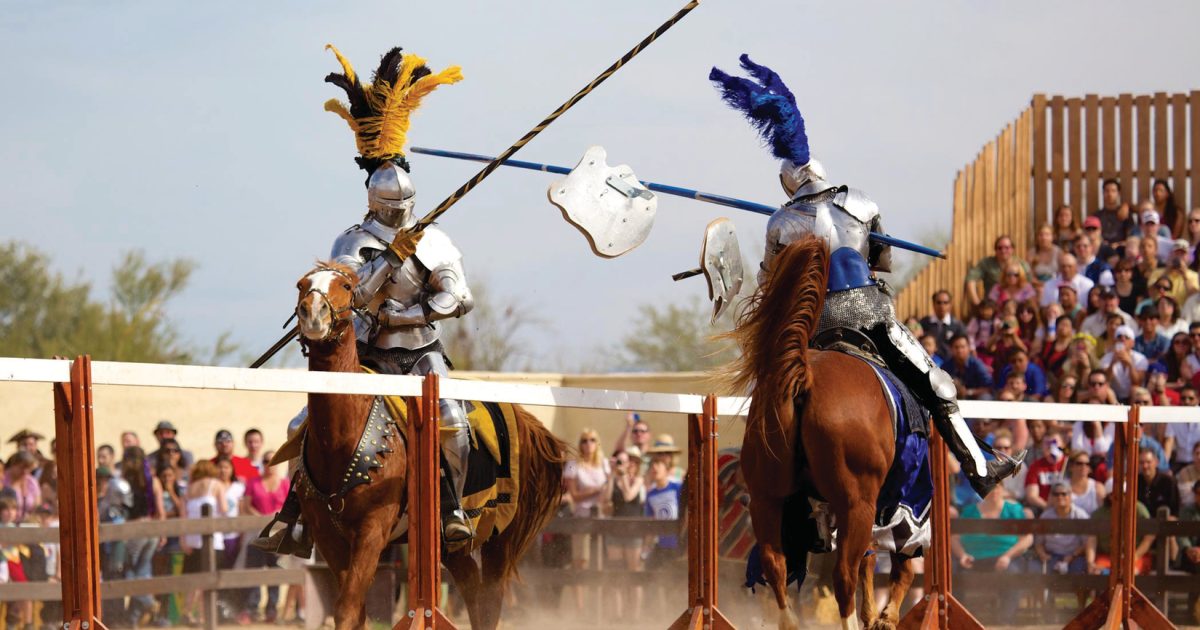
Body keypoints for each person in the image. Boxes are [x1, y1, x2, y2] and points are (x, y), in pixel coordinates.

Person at [709, 56, 1022, 500]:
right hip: (873, 316)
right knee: (937, 384)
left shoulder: (780, 223)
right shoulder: (861, 202)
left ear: (788, 185)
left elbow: (768, 286)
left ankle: (760, 481)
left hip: (814, 326)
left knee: (770, 398)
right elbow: (881, 261)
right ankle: (979, 464)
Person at [256, 46, 471, 551]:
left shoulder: (432, 237)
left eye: (403, 206)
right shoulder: (351, 242)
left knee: (455, 423)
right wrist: (388, 261)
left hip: (421, 351)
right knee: (304, 422)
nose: (397, 213)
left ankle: (452, 510)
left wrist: (410, 310)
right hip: (369, 355)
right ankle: (295, 517)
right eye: (389, 205)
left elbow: (460, 297)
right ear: (373, 200)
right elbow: (346, 297)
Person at [951, 486, 1031, 616]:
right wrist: (962, 555)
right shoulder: (969, 511)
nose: (993, 491)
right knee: (952, 572)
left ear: (1003, 490)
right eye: (989, 488)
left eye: (997, 487)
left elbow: (1027, 538)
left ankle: (1005, 621)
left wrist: (1008, 556)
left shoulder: (1014, 510)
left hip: (1004, 559)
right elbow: (954, 538)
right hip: (973, 560)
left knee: (1013, 574)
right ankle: (960, 618)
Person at [120, 446, 165, 627]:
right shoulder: (152, 481)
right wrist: (161, 532)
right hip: (151, 530)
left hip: (132, 531)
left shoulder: (124, 482)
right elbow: (160, 512)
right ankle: (134, 618)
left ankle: (149, 603)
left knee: (129, 572)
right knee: (143, 572)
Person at [243, 450, 289, 623]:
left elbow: (290, 507)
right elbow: (246, 506)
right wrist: (262, 520)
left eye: (273, 460)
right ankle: (253, 608)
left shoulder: (285, 483)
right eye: (266, 461)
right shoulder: (252, 482)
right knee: (254, 570)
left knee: (275, 571)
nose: (269, 464)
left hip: (278, 534)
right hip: (257, 532)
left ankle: (272, 610)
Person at [606, 447, 645, 621]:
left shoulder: (639, 480)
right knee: (616, 574)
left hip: (633, 532)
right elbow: (605, 500)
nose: (629, 464)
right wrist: (611, 476)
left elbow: (629, 496)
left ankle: (634, 616)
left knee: (634, 574)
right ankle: (617, 616)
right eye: (627, 460)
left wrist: (621, 477)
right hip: (615, 531)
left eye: (633, 461)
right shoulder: (616, 479)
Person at [1034, 482, 1090, 577]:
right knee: (1035, 570)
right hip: (1051, 556)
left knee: (1080, 572)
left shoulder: (1081, 515)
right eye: (1056, 494)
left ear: (1070, 496)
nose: (1060, 497)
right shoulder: (1045, 517)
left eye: (1064, 494)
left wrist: (1071, 557)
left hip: (1075, 556)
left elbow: (1087, 543)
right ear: (1051, 497)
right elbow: (1038, 543)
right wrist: (1042, 554)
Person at [1099, 326, 1148, 402]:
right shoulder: (1106, 358)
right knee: (1106, 389)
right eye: (1119, 337)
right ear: (1114, 341)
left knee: (1134, 389)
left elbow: (1137, 382)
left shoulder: (1141, 359)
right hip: (1114, 396)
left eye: (1127, 337)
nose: (1123, 339)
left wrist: (1130, 364)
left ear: (1132, 343)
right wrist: (1112, 363)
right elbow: (1106, 380)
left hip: (1134, 396)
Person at [919, 290, 967, 362]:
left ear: (950, 305)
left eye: (945, 303)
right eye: (939, 302)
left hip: (951, 365)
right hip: (927, 363)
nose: (942, 306)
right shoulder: (924, 323)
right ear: (933, 304)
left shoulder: (957, 325)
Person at [1148, 239, 1199, 306]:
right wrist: (1166, 272)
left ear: (1188, 257)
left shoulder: (1194, 276)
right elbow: (1152, 293)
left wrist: (1185, 276)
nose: (1179, 257)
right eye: (1177, 253)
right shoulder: (1157, 272)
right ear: (1171, 254)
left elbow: (1195, 297)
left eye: (1182, 254)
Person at [1025, 435, 1068, 512]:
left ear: (1062, 445)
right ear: (1042, 447)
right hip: (1044, 507)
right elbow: (1032, 496)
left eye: (1054, 442)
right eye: (1047, 443)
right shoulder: (1036, 466)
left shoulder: (1069, 464)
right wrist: (1047, 507)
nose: (1051, 446)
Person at [943, 334, 993, 400]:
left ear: (969, 348)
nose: (960, 350)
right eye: (956, 347)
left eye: (963, 347)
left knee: (986, 397)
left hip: (975, 398)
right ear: (951, 349)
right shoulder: (946, 366)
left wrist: (968, 392)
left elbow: (989, 388)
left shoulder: (977, 364)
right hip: (953, 399)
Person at [1138, 447, 1181, 517]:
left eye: (1148, 462)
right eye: (1141, 462)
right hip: (1141, 524)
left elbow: (1175, 511)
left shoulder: (1169, 482)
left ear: (1156, 462)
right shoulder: (1136, 481)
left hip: (1164, 525)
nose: (1145, 466)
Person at [1093, 178, 1134, 245]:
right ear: (1103, 193)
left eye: (1113, 191)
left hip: (1122, 249)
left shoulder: (1126, 214)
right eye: (1107, 191)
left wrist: (1118, 244)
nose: (1110, 194)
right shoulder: (1097, 216)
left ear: (1118, 193)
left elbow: (1131, 237)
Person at [1064, 450, 1106, 515]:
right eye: (1079, 463)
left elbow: (1103, 514)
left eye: (1087, 464)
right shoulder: (1061, 487)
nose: (1084, 466)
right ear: (1070, 466)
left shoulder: (1098, 488)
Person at [1, 452, 40, 522]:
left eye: (28, 468)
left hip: (26, 524)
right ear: (13, 465)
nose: (25, 471)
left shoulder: (31, 482)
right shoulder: (2, 479)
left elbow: (37, 505)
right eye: (21, 467)